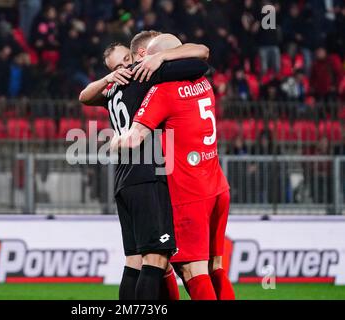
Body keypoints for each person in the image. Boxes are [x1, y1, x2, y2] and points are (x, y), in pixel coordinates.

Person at [79, 31, 209, 300]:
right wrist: (161, 56)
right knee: (156, 259)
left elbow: (84, 96)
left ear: (133, 52)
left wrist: (107, 79)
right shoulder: (142, 75)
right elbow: (201, 60)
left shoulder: (113, 89)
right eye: (119, 66)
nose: (127, 67)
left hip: (123, 180)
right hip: (148, 174)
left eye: (127, 59)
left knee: (134, 261)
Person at [112, 33, 235, 300]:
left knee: (191, 269)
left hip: (191, 191)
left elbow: (133, 140)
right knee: (215, 266)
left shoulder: (163, 92)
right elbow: (202, 50)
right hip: (218, 186)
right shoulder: (203, 82)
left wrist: (112, 141)